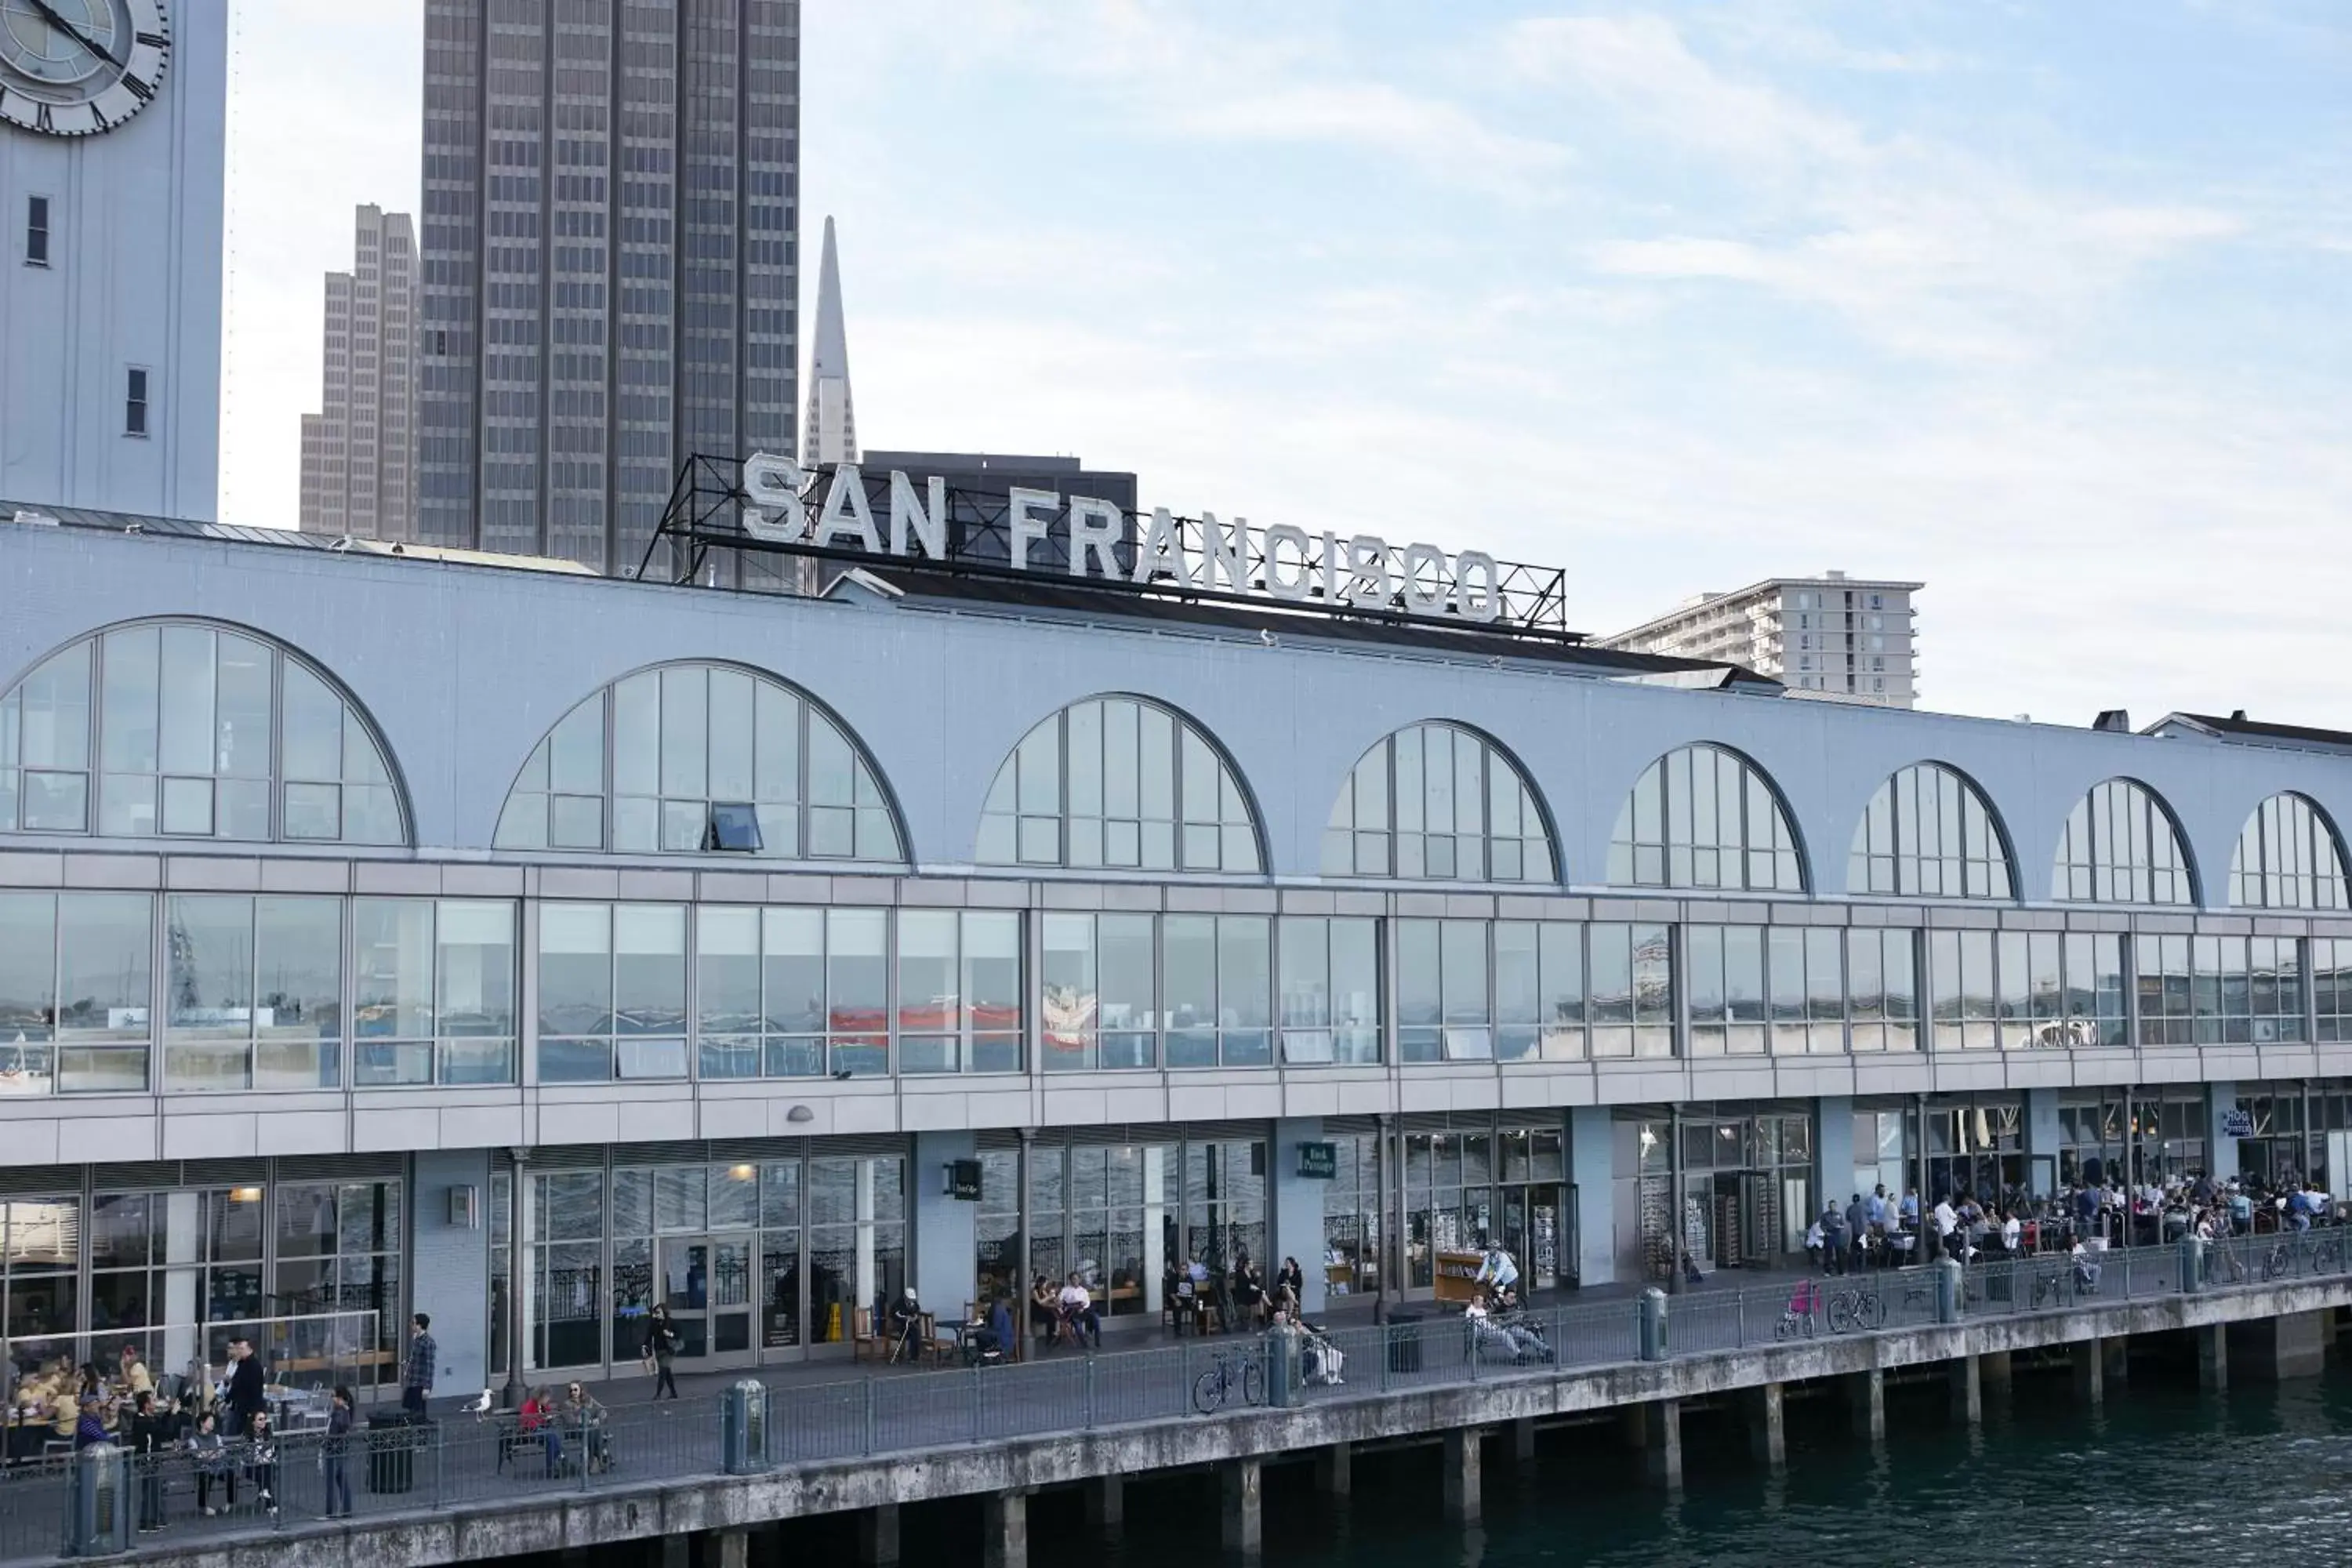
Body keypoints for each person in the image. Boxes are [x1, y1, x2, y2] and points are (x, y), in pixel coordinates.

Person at [190, 1410, 235, 1516]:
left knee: (231, 1473)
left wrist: (209, 1454)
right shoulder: (194, 1439)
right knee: (205, 1477)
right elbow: (198, 1455)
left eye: (213, 1421)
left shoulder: (216, 1437)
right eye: (210, 1421)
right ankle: (203, 1506)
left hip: (218, 1465)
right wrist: (212, 1454)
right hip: (202, 1467)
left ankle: (230, 1503)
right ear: (202, 1423)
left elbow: (222, 1451)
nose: (212, 1424)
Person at [322, 1386, 354, 1518]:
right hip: (341, 1449)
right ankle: (346, 1510)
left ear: (340, 1398)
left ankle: (331, 1512)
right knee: (342, 1480)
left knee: (332, 1482)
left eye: (334, 1396)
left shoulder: (339, 1413)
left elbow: (334, 1432)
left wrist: (326, 1443)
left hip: (334, 1450)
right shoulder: (345, 1412)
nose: (332, 1399)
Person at [564, 1381, 609, 1473]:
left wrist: (598, 1418)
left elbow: (602, 1410)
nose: (573, 1392)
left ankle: (593, 1460)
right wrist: (585, 1420)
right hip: (575, 1430)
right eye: (571, 1390)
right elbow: (571, 1420)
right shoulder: (567, 1404)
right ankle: (598, 1458)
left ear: (581, 1390)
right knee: (593, 1431)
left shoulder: (589, 1400)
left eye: (575, 1390)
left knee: (594, 1431)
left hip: (590, 1428)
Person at [224, 1339, 265, 1439]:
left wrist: (253, 1411)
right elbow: (236, 1384)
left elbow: (253, 1389)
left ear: (249, 1349)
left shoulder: (254, 1366)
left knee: (242, 1433)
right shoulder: (242, 1364)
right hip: (238, 1406)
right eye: (238, 1348)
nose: (239, 1351)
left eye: (242, 1348)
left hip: (247, 1408)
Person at [246, 1409, 279, 1517]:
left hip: (266, 1465)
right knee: (266, 1471)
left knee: (269, 1469)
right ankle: (270, 1502)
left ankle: (265, 1492)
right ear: (253, 1422)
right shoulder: (248, 1436)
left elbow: (272, 1451)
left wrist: (263, 1456)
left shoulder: (268, 1434)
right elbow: (250, 1455)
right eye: (260, 1419)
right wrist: (262, 1456)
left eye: (265, 1419)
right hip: (252, 1468)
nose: (263, 1421)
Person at [404, 1312, 437, 1417]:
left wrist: (427, 1387)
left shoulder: (428, 1343)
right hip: (413, 1381)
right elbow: (415, 1360)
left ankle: (421, 1431)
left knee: (419, 1411)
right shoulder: (416, 1340)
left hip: (420, 1383)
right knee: (411, 1408)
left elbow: (429, 1366)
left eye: (414, 1323)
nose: (411, 1325)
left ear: (420, 1325)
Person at [644, 1305, 681, 1399]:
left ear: (664, 1312)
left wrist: (670, 1334)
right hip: (659, 1350)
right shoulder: (654, 1323)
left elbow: (679, 1335)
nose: (657, 1315)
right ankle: (674, 1393)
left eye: (658, 1312)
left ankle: (658, 1394)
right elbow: (649, 1335)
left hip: (669, 1351)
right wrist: (644, 1345)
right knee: (667, 1372)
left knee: (662, 1371)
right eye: (655, 1313)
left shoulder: (671, 1322)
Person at [1058, 1273, 1102, 1349]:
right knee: (1078, 1326)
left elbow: (1087, 1301)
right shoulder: (1065, 1290)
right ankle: (1084, 1344)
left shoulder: (1083, 1290)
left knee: (1096, 1318)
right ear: (1070, 1280)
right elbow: (1060, 1299)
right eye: (1073, 1279)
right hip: (1072, 1310)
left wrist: (1083, 1307)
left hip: (1084, 1309)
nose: (1075, 1281)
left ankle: (1097, 1341)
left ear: (1079, 1280)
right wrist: (1059, 1303)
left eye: (1077, 1279)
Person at [888, 1287, 925, 1362]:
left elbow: (917, 1312)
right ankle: (913, 1356)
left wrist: (915, 1317)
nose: (910, 1301)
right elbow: (894, 1314)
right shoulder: (899, 1303)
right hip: (901, 1326)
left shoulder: (914, 1304)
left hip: (911, 1326)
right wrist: (905, 1317)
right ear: (905, 1297)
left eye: (912, 1299)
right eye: (909, 1299)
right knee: (915, 1331)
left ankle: (914, 1356)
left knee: (916, 1332)